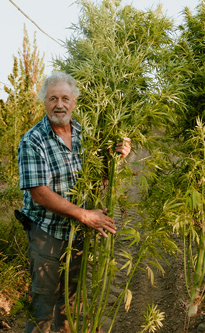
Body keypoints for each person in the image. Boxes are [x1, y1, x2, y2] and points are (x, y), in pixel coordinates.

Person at [17, 71, 131, 332]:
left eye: (65, 98)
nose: (60, 104)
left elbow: (96, 178)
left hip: (77, 235)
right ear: (44, 102)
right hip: (47, 233)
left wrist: (117, 158)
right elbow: (39, 193)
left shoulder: (83, 132)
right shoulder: (33, 140)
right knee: (43, 305)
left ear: (74, 102)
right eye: (53, 98)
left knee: (69, 301)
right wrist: (85, 215)